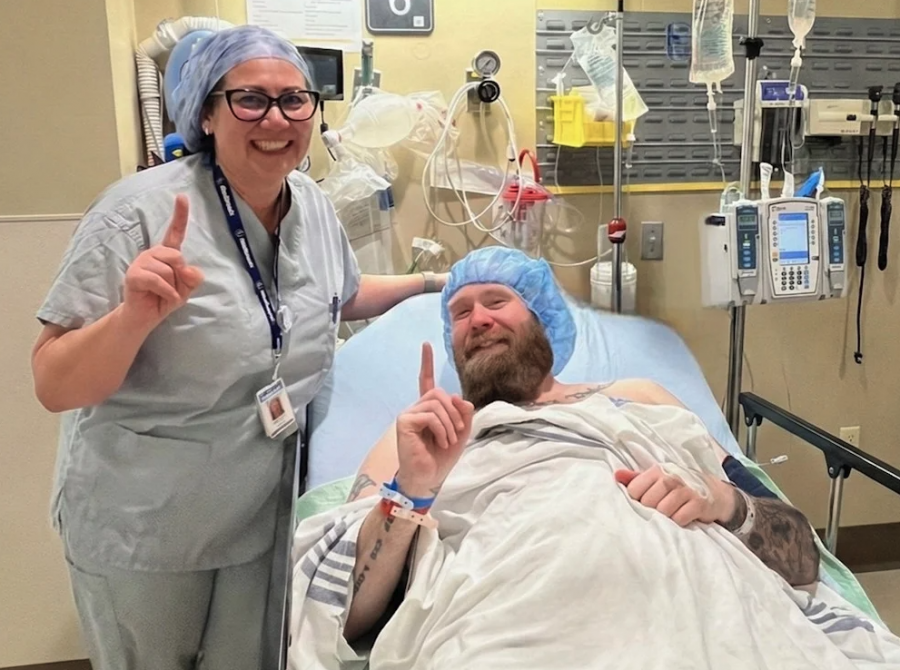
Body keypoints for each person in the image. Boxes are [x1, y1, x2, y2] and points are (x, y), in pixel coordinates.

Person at [31, 24, 444, 670]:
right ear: (206, 113)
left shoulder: (311, 205)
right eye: (250, 99)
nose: (275, 119)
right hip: (147, 528)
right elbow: (54, 383)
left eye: (294, 99)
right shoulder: (135, 215)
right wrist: (132, 319)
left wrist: (440, 283)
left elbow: (341, 295)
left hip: (256, 523)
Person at [290, 247, 900, 670]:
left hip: (697, 606)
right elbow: (345, 614)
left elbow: (801, 558)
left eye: (496, 300)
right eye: (459, 312)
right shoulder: (417, 436)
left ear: (542, 318)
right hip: (498, 622)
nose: (477, 319)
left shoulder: (635, 398)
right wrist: (411, 493)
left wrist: (723, 502)